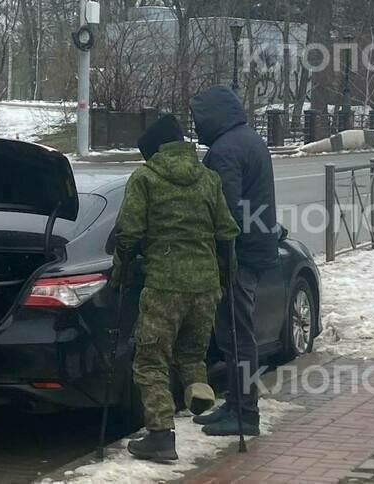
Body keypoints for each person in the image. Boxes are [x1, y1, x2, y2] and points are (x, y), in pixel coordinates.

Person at [114, 114, 239, 461]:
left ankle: (160, 436)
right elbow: (227, 232)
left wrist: (120, 274)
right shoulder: (208, 179)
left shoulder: (145, 179)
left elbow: (128, 233)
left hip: (164, 285)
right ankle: (198, 390)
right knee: (191, 354)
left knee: (151, 361)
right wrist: (227, 275)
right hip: (206, 285)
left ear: (153, 151)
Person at [189, 86, 279, 437]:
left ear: (212, 116)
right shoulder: (249, 140)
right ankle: (236, 404)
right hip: (255, 248)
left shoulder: (225, 150)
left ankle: (244, 413)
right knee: (236, 334)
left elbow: (223, 208)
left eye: (198, 119)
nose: (196, 127)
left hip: (237, 254)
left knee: (237, 336)